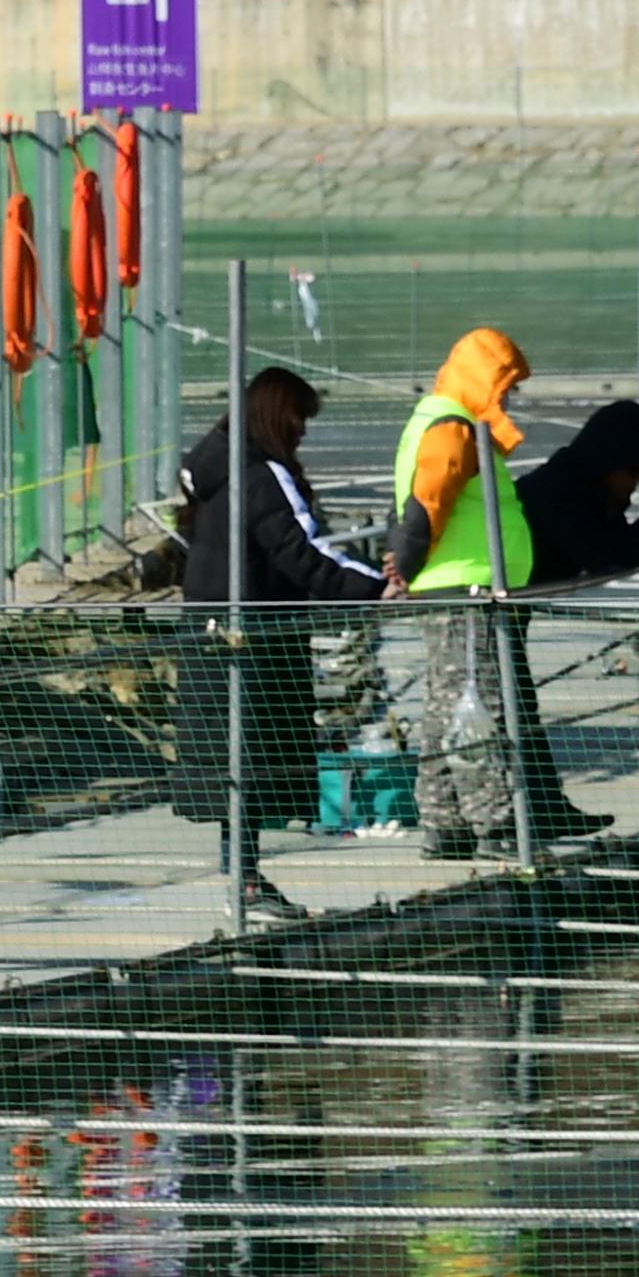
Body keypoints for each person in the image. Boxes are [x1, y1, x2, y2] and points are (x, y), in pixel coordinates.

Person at [384, 328, 605, 859]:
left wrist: (410, 570)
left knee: (446, 706)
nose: (508, 398)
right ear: (481, 379)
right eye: (503, 386)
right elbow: (427, 503)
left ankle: (445, 822)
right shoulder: (452, 427)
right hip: (467, 587)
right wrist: (404, 568)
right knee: (481, 707)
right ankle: (496, 825)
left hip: (455, 585)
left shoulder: (443, 421)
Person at [174, 366, 388, 917]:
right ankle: (244, 879)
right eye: (299, 419)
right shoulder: (264, 475)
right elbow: (304, 551)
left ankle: (241, 874)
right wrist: (375, 587)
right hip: (252, 641)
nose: (304, 432)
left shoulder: (221, 470)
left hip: (212, 632)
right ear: (277, 415)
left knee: (234, 760)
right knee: (249, 755)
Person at [519, 400, 639, 586]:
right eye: (633, 471)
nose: (635, 482)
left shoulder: (590, 486)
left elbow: (619, 542)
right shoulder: (562, 490)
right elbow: (601, 555)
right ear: (609, 460)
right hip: (497, 597)